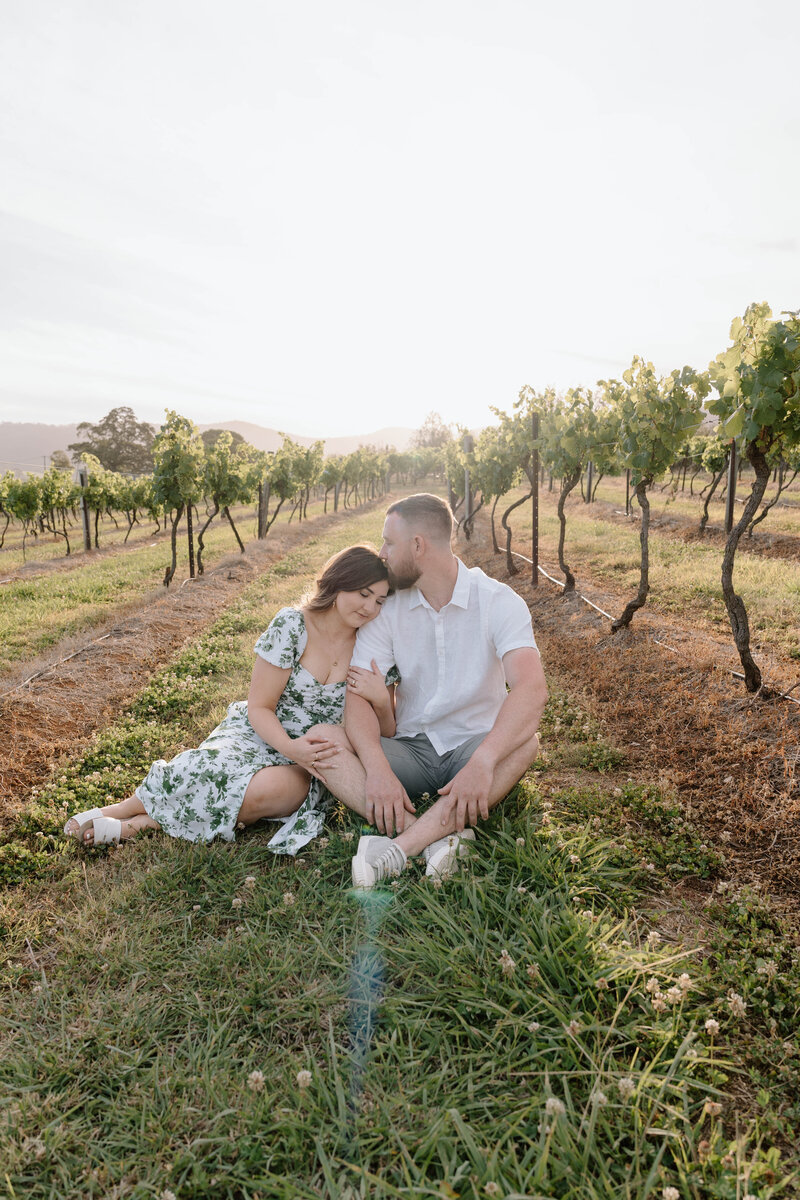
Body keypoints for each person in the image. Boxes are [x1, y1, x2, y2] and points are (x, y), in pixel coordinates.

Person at [63, 545, 394, 854]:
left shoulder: (372, 646)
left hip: (313, 756)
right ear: (337, 585)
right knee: (213, 768)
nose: (369, 608)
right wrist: (289, 747)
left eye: (380, 601)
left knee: (269, 793)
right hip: (263, 731)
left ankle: (148, 823)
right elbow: (260, 708)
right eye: (363, 594)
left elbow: (389, 732)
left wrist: (381, 700)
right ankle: (126, 809)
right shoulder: (293, 625)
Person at [315, 493, 548, 887]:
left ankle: (401, 847)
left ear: (417, 546)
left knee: (527, 743)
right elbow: (357, 695)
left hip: (473, 748)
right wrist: (376, 767)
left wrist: (484, 760)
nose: (382, 553)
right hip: (410, 750)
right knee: (322, 741)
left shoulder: (497, 602)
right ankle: (436, 840)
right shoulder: (387, 609)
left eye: (389, 542)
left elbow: (531, 687)